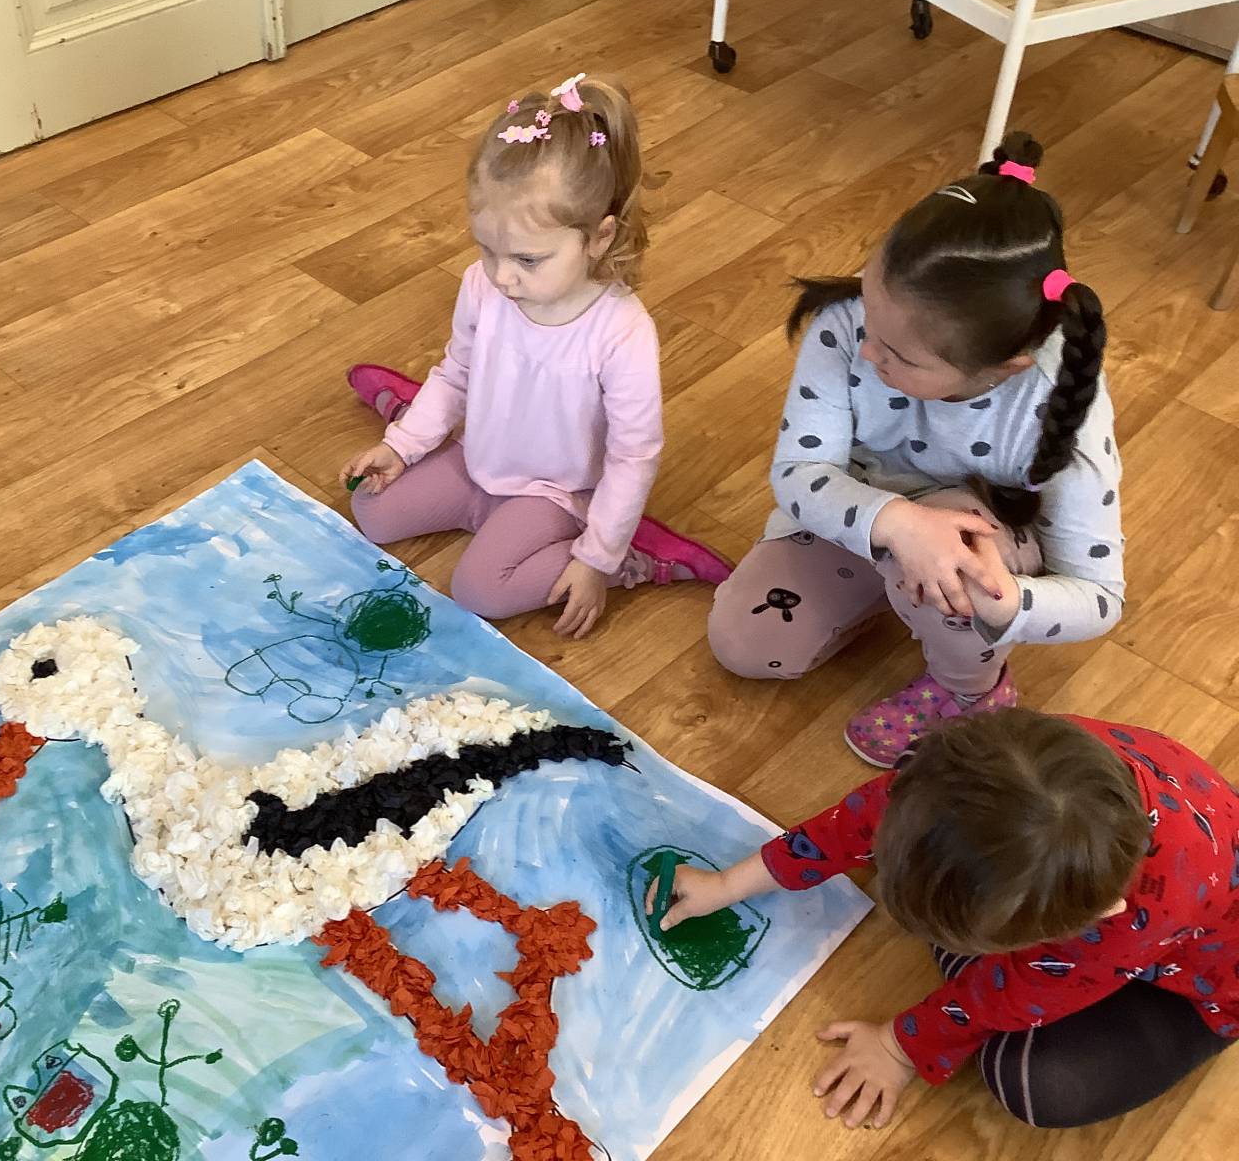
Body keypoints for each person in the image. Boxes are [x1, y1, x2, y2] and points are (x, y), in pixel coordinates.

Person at [707, 132, 1122, 767]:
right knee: (744, 642)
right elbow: (798, 471)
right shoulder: (853, 323)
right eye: (869, 313)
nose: (867, 351)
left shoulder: (1056, 398)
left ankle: (970, 691)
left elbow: (1099, 597)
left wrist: (1007, 602)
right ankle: (899, 590)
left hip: (978, 527)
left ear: (1004, 367)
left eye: (899, 355)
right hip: (861, 512)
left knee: (958, 570)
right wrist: (896, 526)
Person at [648, 709, 1237, 1129]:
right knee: (940, 868)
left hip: (1202, 983)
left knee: (1038, 1085)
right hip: (1125, 885)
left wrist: (898, 1047)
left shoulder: (1126, 923)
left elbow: (1014, 996)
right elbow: (859, 820)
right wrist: (729, 884)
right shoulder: (985, 769)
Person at [340, 72, 730, 640]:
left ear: (598, 238)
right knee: (372, 511)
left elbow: (633, 456)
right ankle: (415, 425)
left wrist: (596, 558)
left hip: (555, 492)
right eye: (487, 248)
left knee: (480, 591)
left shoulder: (622, 332)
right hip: (481, 459)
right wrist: (402, 446)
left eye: (527, 259)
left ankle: (634, 557)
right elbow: (458, 371)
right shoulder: (482, 285)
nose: (502, 276)